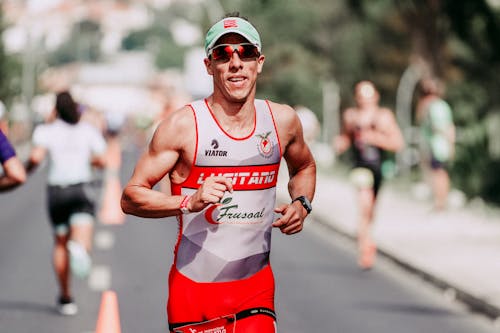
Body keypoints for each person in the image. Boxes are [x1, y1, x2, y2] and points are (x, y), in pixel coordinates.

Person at [121, 13, 316, 333]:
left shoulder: (282, 122)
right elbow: (131, 197)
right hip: (193, 292)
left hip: (255, 291)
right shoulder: (182, 127)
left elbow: (304, 166)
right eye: (223, 55)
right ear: (209, 65)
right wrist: (188, 202)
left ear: (260, 62)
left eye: (246, 53)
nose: (236, 62)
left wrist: (302, 203)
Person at [27, 91, 107, 315]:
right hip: (81, 188)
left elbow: (35, 158)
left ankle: (65, 297)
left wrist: (24, 171)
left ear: (55, 110)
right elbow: (102, 159)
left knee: (60, 243)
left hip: (56, 191)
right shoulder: (87, 131)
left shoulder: (46, 131)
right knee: (82, 237)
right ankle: (80, 248)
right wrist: (86, 159)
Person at [333, 81, 404, 270]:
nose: (365, 101)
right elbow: (346, 137)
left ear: (376, 97)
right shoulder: (351, 117)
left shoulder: (383, 117)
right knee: (364, 206)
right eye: (361, 97)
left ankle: (366, 237)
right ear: (357, 98)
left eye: (368, 97)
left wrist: (376, 138)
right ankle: (365, 247)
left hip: (380, 168)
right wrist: (340, 143)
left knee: (371, 210)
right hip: (360, 167)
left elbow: (398, 143)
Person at [416, 77, 455, 211]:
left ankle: (440, 202)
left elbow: (442, 127)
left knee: (439, 173)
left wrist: (449, 143)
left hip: (437, 146)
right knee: (439, 173)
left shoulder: (435, 107)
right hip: (438, 145)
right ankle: (440, 200)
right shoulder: (441, 105)